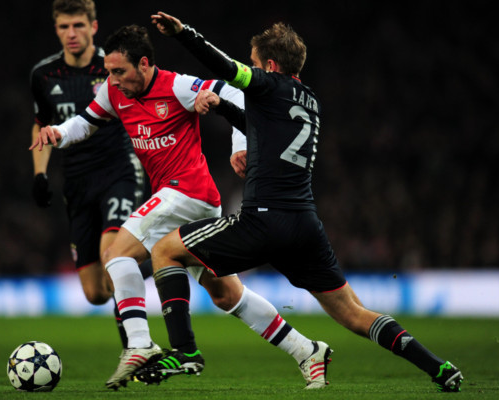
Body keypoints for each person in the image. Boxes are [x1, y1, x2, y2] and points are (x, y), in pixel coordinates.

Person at [142, 12, 464, 393]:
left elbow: (225, 67)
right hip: (305, 225)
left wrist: (184, 34)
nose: (251, 68)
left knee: (165, 250)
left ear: (271, 66)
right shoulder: (310, 101)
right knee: (353, 313)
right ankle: (439, 367)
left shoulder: (266, 84)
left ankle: (185, 352)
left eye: (256, 62)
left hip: (263, 221)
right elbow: (265, 129)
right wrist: (224, 108)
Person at [31, 24, 323, 390]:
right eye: (110, 72)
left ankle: (139, 343)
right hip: (192, 204)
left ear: (144, 64)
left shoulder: (177, 86)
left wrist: (237, 144)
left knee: (118, 252)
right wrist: (58, 133)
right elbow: (85, 124)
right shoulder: (113, 91)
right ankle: (306, 349)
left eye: (120, 71)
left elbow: (235, 91)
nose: (114, 80)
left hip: (187, 191)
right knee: (225, 294)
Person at [29, 0, 151, 350]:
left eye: (79, 25)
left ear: (93, 27)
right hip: (77, 182)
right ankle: (148, 264)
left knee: (113, 254)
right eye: (64, 27)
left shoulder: (111, 65)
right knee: (96, 292)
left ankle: (137, 351)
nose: (72, 33)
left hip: (119, 171)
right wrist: (40, 174)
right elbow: (41, 126)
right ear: (56, 29)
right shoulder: (44, 75)